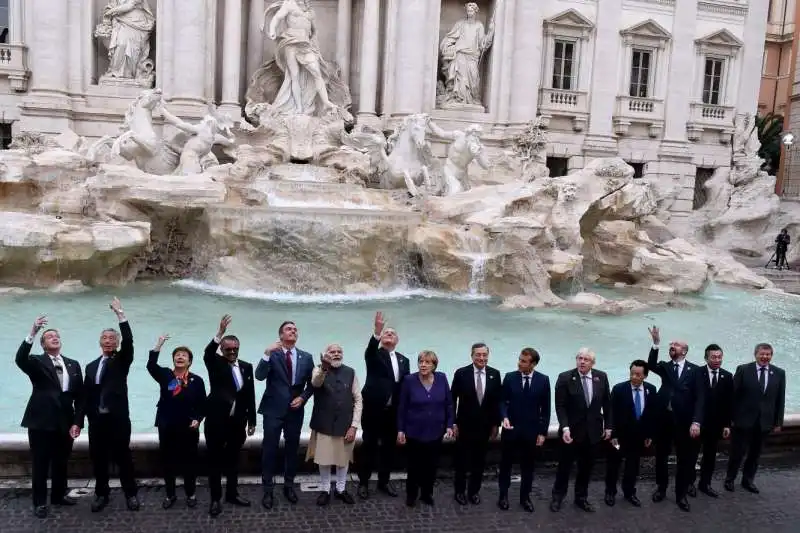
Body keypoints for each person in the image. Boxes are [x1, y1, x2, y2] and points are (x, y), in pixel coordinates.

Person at [16, 315, 84, 518]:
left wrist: (77, 422)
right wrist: (33, 331)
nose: (54, 337)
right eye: (50, 336)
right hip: (41, 421)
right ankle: (39, 503)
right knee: (40, 463)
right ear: (43, 344)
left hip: (65, 422)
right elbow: (20, 359)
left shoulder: (73, 364)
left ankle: (58, 496)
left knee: (61, 462)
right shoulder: (36, 361)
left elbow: (80, 397)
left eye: (57, 336)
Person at [82, 297, 139, 512]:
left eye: (111, 338)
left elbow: (129, 341)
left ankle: (131, 494)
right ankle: (101, 494)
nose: (108, 341)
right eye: (104, 338)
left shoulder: (121, 360)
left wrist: (120, 315)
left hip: (118, 419)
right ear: (100, 342)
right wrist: (80, 421)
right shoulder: (90, 366)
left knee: (124, 457)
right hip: (96, 421)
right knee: (99, 460)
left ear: (116, 343)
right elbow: (85, 397)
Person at [257, 320, 314, 509]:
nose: (293, 331)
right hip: (273, 410)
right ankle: (268, 490)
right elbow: (259, 375)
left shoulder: (306, 357)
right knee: (269, 450)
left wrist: (304, 398)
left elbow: (312, 384)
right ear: (281, 335)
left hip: (295, 411)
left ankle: (289, 486)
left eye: (295, 329)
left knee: (292, 449)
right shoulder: (272, 355)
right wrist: (266, 353)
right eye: (289, 329)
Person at [203, 315, 257, 517]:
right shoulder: (215, 363)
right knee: (215, 462)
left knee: (234, 461)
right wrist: (219, 333)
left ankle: (232, 494)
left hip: (237, 424)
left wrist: (252, 421)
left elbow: (250, 394)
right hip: (216, 423)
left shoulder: (246, 366)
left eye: (235, 348)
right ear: (222, 350)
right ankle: (215, 499)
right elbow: (207, 353)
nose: (232, 352)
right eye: (228, 349)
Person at [646, 326, 704, 512]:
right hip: (664, 420)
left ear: (684, 351)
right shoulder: (665, 366)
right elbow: (651, 365)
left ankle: (681, 495)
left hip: (684, 422)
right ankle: (661, 489)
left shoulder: (695, 370)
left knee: (684, 460)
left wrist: (696, 421)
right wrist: (656, 344)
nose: (672, 346)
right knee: (661, 457)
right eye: (671, 344)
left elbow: (700, 398)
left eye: (676, 345)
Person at [146, 334, 207, 509]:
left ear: (190, 361)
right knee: (167, 461)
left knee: (189, 462)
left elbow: (203, 404)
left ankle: (191, 493)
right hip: (167, 425)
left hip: (189, 427)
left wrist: (198, 419)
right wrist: (159, 344)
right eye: (177, 355)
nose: (180, 357)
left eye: (184, 355)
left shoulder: (197, 380)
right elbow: (150, 365)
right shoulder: (165, 375)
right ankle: (170, 494)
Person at [550, 348, 612, 513]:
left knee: (586, 467)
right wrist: (565, 427)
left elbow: (607, 404)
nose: (582, 362)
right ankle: (557, 496)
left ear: (593, 363)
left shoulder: (602, 377)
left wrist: (609, 426)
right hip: (571, 432)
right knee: (564, 466)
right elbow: (560, 406)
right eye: (579, 358)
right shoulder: (565, 378)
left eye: (586, 359)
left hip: (593, 432)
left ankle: (581, 497)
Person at [357, 311, 410, 500]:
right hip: (373, 410)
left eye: (392, 333)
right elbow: (369, 351)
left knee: (389, 448)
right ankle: (363, 483)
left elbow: (405, 387)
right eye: (386, 333)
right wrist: (377, 332)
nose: (389, 335)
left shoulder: (405, 360)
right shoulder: (374, 355)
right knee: (369, 446)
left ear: (397, 340)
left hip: (393, 412)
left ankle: (384, 481)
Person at [305, 343, 362, 506]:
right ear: (325, 354)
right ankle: (325, 489)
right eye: (332, 352)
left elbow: (358, 399)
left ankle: (341, 489)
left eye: (339, 352)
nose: (336, 354)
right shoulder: (318, 370)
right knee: (324, 459)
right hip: (323, 423)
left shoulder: (351, 372)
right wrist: (324, 367)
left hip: (345, 424)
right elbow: (316, 383)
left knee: (342, 459)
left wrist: (354, 425)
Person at [725, 343, 786, 493]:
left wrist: (778, 421)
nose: (765, 357)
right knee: (737, 453)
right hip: (742, 421)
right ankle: (729, 479)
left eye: (768, 354)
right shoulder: (744, 370)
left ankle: (748, 480)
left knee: (755, 454)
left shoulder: (779, 373)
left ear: (771, 355)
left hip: (764, 422)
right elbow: (733, 396)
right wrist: (730, 418)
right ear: (755, 354)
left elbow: (780, 399)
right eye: (762, 354)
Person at [397, 350, 455, 507]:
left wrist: (450, 424)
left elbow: (449, 404)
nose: (423, 365)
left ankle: (427, 493)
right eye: (421, 361)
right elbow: (402, 407)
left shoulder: (442, 378)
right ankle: (411, 495)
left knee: (431, 466)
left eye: (427, 362)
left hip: (436, 431)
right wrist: (400, 429)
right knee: (414, 466)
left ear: (434, 365)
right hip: (414, 431)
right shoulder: (409, 380)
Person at [497, 348, 550, 512]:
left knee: (528, 467)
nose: (519, 363)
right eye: (519, 359)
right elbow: (502, 401)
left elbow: (546, 409)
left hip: (531, 432)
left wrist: (542, 432)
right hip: (511, 430)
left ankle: (525, 497)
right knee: (505, 465)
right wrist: (504, 417)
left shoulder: (543, 380)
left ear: (533, 364)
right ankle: (503, 496)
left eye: (524, 361)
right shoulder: (510, 377)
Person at [451, 342, 502, 506]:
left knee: (479, 462)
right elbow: (452, 400)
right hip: (464, 426)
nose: (481, 358)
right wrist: (452, 422)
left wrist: (496, 424)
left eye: (484, 355)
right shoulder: (461, 373)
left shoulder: (495, 374)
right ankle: (459, 491)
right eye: (478, 355)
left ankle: (474, 491)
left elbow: (496, 402)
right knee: (462, 461)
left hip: (485, 427)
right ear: (471, 355)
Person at [604, 360, 658, 507]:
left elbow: (652, 415)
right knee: (614, 464)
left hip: (638, 438)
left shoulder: (651, 390)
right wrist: (613, 435)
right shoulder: (619, 389)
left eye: (638, 374)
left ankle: (629, 492)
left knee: (633, 466)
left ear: (645, 376)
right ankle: (610, 492)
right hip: (618, 439)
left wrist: (649, 435)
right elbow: (610, 414)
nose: (634, 377)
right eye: (632, 373)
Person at [690, 344, 733, 498]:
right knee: (692, 454)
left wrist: (727, 424)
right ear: (706, 358)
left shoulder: (727, 376)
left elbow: (729, 402)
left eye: (719, 357)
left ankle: (705, 484)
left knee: (710, 456)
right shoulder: (696, 373)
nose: (717, 360)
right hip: (698, 423)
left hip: (716, 425)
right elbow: (691, 399)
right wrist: (694, 421)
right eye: (713, 357)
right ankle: (690, 483)